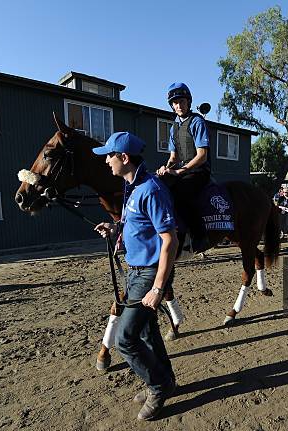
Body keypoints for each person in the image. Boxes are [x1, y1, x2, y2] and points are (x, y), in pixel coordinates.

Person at [93, 131, 179, 421]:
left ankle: (158, 386)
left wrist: (157, 288)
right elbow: (137, 224)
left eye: (110, 155)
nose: (106, 161)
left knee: (125, 339)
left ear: (124, 158)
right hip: (135, 271)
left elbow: (170, 240)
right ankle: (166, 379)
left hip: (150, 274)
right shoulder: (132, 185)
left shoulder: (151, 189)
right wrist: (114, 229)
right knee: (147, 332)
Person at [157, 82, 211, 254]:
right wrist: (165, 169)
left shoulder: (197, 122)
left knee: (181, 193)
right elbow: (173, 157)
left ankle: (199, 236)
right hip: (182, 170)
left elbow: (202, 155)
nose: (178, 105)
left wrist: (181, 170)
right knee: (157, 187)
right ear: (171, 105)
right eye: (175, 102)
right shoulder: (174, 126)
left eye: (181, 101)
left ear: (188, 102)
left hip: (199, 171)